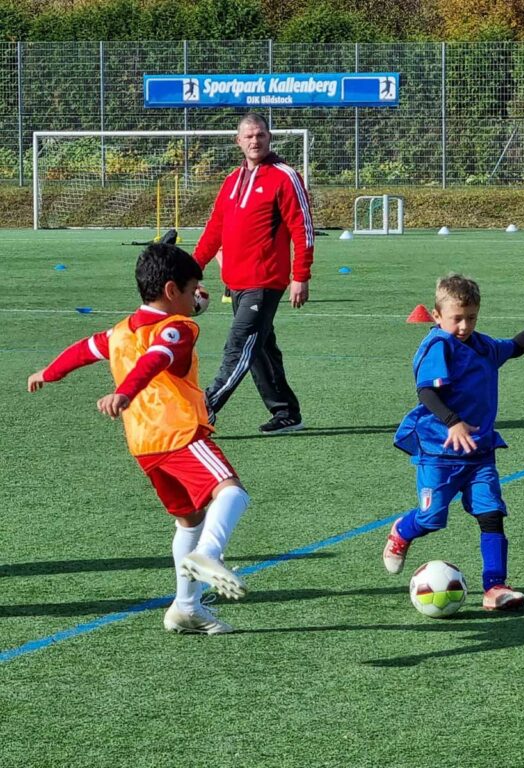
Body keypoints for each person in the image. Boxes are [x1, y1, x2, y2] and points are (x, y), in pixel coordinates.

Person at [26, 243, 250, 635]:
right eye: (193, 287)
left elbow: (84, 349)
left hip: (144, 446)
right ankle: (207, 558)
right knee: (231, 492)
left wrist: (49, 371)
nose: (198, 294)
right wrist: (127, 392)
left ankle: (186, 608)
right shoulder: (177, 329)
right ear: (170, 290)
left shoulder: (119, 333)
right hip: (179, 433)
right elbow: (158, 357)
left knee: (189, 519)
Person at [384, 274, 524, 611]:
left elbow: (514, 347)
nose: (464, 325)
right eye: (456, 318)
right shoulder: (437, 346)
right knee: (431, 520)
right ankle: (402, 532)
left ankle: (495, 587)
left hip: (480, 451)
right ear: (436, 315)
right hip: (439, 452)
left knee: (491, 514)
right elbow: (426, 391)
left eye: (471, 317)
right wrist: (452, 422)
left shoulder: (483, 346)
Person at [194, 112, 314, 434]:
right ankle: (287, 413)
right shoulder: (232, 181)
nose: (254, 140)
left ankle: (204, 409)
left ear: (269, 137)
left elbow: (303, 229)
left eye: (260, 134)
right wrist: (193, 268)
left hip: (266, 282)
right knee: (259, 349)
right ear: (238, 141)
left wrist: (300, 275)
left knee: (239, 344)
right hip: (236, 283)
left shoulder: (285, 176)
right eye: (248, 136)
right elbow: (214, 229)